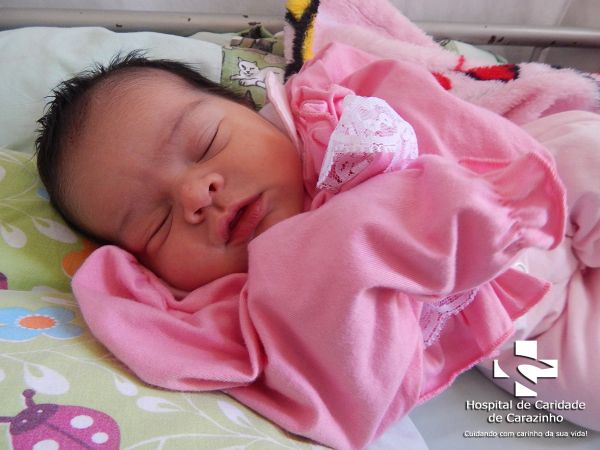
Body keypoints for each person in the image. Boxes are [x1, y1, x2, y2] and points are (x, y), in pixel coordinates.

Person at [35, 43, 598, 449]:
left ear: (252, 111)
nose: (194, 196)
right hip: (520, 329)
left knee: (581, 144)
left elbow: (444, 116)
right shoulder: (254, 308)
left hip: (527, 181)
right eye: (155, 224)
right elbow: (352, 386)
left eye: (206, 142)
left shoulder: (333, 114)